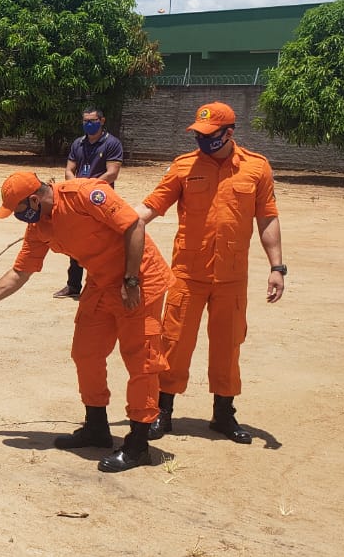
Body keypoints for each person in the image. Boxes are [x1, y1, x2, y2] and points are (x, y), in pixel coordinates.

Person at [0, 172, 173, 472]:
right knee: (86, 353)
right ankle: (96, 427)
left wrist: (131, 279)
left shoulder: (85, 194)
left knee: (141, 361)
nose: (19, 218)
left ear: (33, 199)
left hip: (139, 280)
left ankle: (138, 444)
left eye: (18, 211)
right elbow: (21, 272)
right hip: (100, 284)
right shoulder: (39, 226)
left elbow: (133, 224)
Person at [136, 101, 286, 445]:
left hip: (232, 277)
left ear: (228, 133)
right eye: (198, 134)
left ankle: (223, 414)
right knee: (173, 342)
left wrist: (277, 266)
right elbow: (151, 206)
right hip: (188, 274)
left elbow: (267, 217)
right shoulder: (183, 167)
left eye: (208, 135)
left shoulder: (257, 168)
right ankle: (164, 412)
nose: (201, 141)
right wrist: (116, 220)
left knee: (228, 346)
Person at [55, 107, 124, 299]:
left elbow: (112, 172)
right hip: (78, 200)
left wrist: (91, 188)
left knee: (102, 243)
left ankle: (101, 287)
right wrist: (76, 187)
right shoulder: (78, 143)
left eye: (92, 120)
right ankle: (73, 285)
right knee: (77, 242)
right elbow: (69, 169)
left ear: (102, 121)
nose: (88, 124)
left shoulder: (112, 143)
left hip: (101, 199)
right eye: (85, 121)